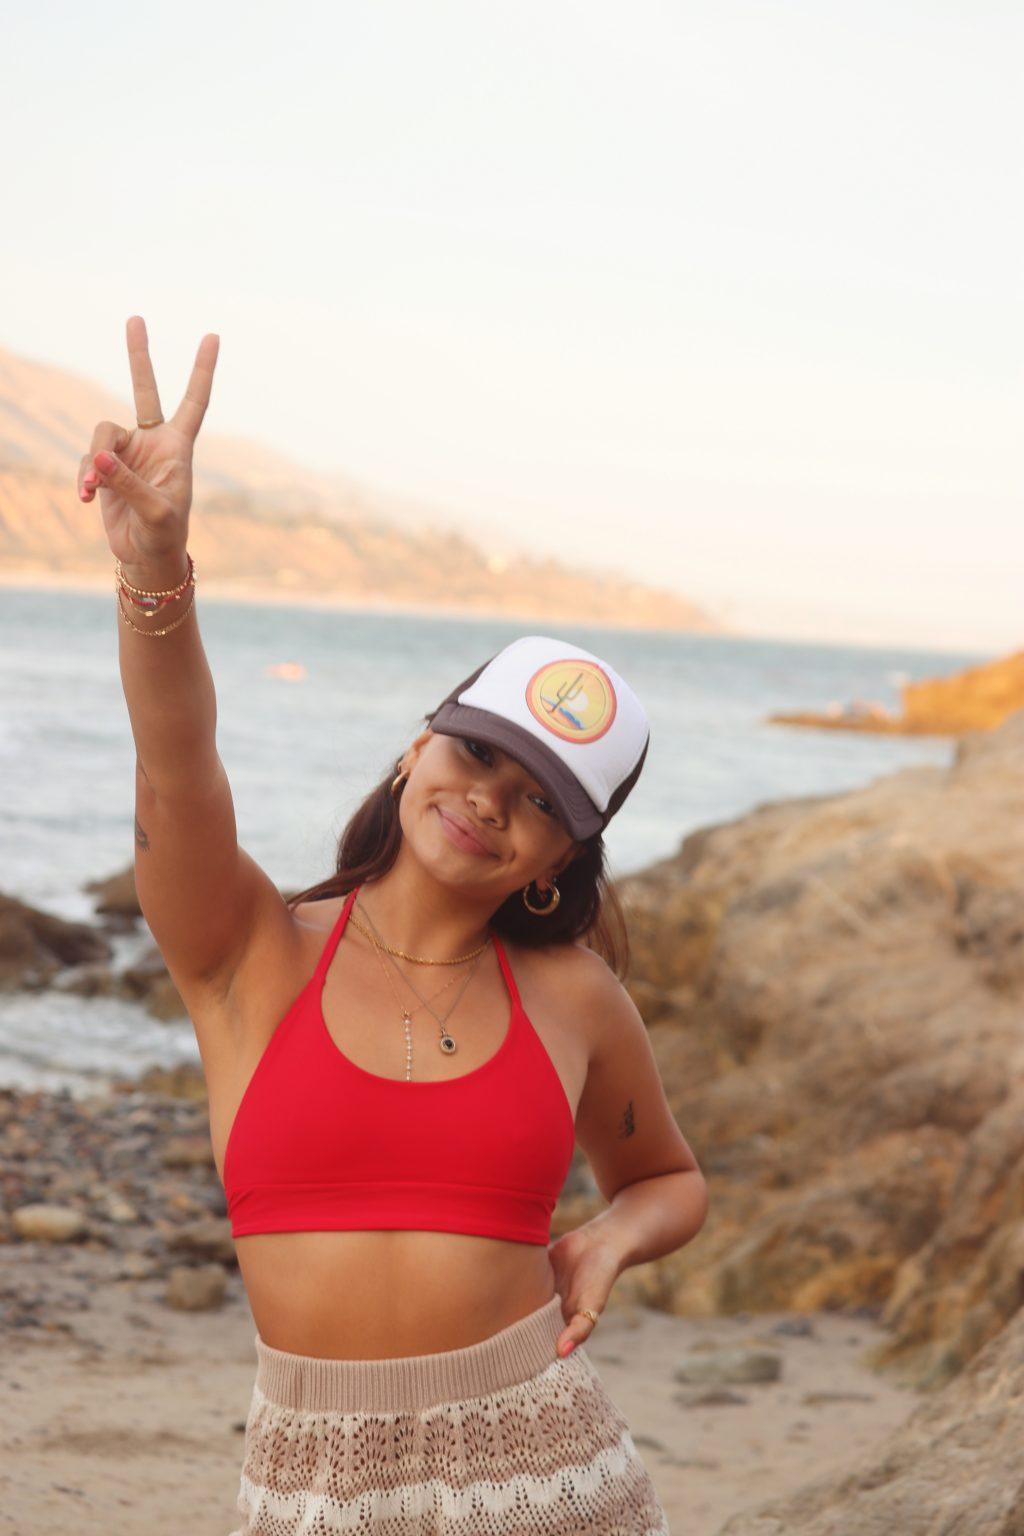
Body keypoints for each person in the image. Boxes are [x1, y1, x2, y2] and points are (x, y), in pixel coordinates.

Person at [81, 315, 708, 1534]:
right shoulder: (245, 951)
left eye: (539, 804)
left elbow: (668, 1176)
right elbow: (178, 768)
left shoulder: (573, 995)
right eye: (478, 752)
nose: (488, 799)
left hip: (549, 1472)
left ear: (561, 859)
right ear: (419, 740)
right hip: (315, 1482)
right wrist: (156, 569)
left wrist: (609, 1237)